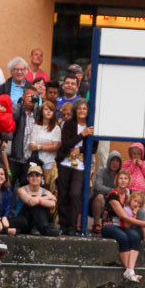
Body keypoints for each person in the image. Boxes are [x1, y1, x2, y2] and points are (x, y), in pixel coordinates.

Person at [101, 169, 145, 281]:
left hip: (124, 226)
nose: (123, 181)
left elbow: (143, 206)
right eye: (120, 178)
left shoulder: (129, 193)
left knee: (135, 237)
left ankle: (131, 270)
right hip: (109, 225)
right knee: (123, 237)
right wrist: (144, 223)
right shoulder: (113, 195)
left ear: (129, 181)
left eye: (125, 178)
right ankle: (129, 270)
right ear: (117, 180)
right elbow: (124, 216)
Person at [55, 99, 93, 235]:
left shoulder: (91, 126)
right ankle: (63, 225)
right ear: (75, 110)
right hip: (65, 161)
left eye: (84, 108)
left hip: (81, 164)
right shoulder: (69, 124)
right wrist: (82, 135)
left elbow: (94, 147)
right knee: (63, 193)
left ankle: (72, 226)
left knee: (75, 193)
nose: (82, 111)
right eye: (79, 108)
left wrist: (80, 150)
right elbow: (65, 143)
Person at [13, 162, 57, 235]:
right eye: (31, 176)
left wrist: (39, 200)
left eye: (37, 176)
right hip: (24, 221)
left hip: (38, 221)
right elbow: (30, 202)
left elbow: (53, 203)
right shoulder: (21, 190)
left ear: (41, 178)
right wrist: (44, 198)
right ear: (28, 178)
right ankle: (45, 229)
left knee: (39, 204)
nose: (34, 178)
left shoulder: (45, 191)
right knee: (35, 204)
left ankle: (40, 227)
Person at [89, 149, 122, 234]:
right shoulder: (101, 170)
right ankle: (96, 224)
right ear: (109, 161)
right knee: (100, 197)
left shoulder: (121, 175)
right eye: (113, 160)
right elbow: (98, 186)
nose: (115, 163)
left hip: (113, 202)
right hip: (97, 200)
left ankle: (111, 224)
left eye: (117, 161)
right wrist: (113, 190)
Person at [28, 99, 61, 179]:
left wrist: (39, 146)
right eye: (46, 109)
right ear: (42, 112)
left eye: (51, 110)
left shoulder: (56, 128)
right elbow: (32, 146)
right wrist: (48, 144)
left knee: (48, 185)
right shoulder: (35, 127)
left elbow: (55, 147)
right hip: (36, 160)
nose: (49, 112)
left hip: (49, 161)